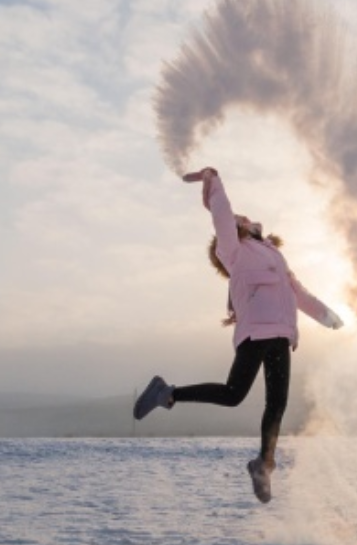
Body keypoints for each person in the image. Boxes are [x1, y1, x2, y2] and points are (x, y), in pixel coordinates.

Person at [133, 166, 343, 503]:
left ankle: (264, 464)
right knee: (233, 394)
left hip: (281, 336)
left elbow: (298, 292)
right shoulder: (235, 252)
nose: (244, 217)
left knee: (277, 404)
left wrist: (328, 317)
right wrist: (212, 181)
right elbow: (222, 214)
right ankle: (166, 393)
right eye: (238, 218)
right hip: (257, 333)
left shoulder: (273, 254)